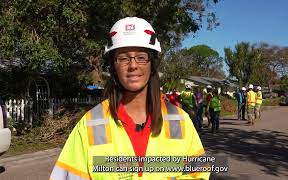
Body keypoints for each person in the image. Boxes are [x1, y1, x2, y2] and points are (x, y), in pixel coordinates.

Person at [50, 17, 209, 179]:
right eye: (124, 58)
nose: (133, 65)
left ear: (152, 64)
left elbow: (199, 174)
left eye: (141, 57)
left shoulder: (180, 122)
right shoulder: (90, 125)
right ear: (113, 66)